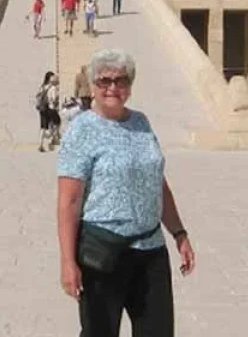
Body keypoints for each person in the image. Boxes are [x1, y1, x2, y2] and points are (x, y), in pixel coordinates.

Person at [57, 49, 195, 337]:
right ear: (92, 85)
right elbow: (69, 202)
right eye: (104, 80)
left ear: (130, 85)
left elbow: (157, 182)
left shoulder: (141, 122)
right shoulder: (81, 130)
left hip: (151, 249)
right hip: (103, 251)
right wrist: (68, 262)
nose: (112, 88)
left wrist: (179, 233)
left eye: (120, 80)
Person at [36, 71, 61, 152]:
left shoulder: (42, 86)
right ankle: (52, 138)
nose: (54, 78)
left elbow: (37, 95)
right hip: (50, 108)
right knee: (57, 122)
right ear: (50, 78)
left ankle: (41, 144)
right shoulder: (52, 87)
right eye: (52, 76)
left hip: (42, 108)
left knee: (43, 126)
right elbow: (53, 99)